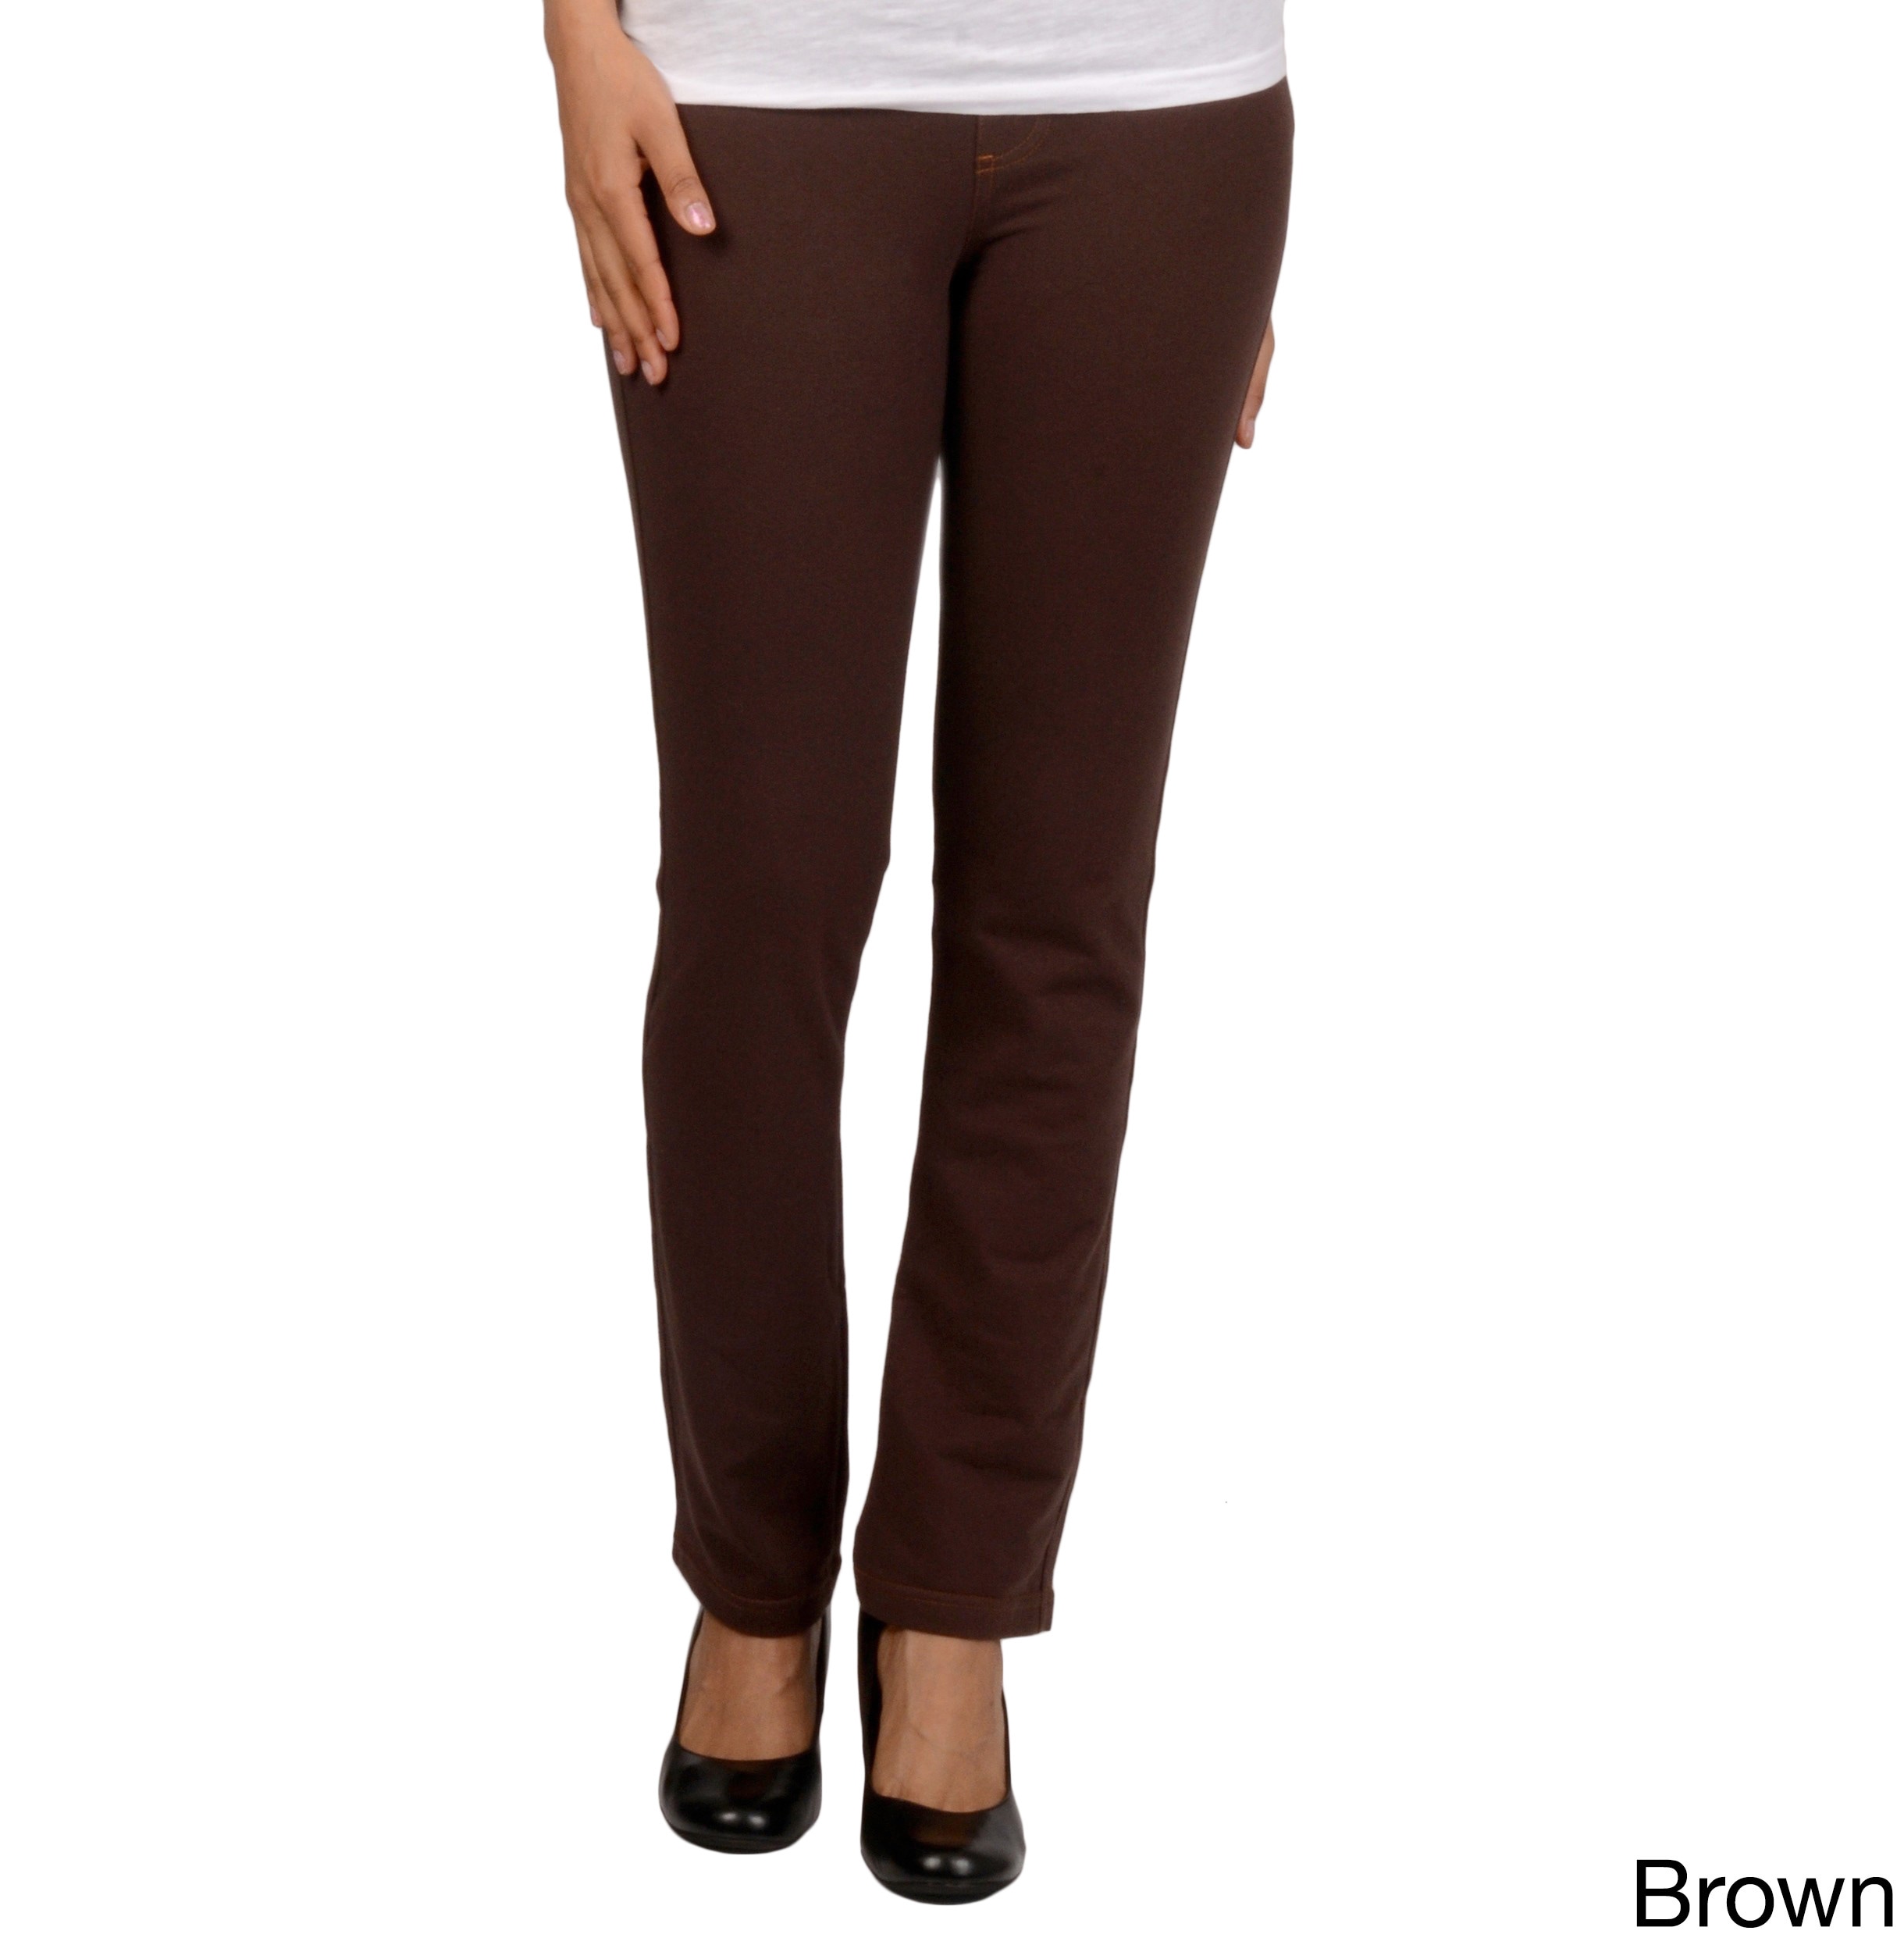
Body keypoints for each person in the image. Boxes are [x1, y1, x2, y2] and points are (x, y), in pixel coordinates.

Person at [543, 0, 1293, 1903]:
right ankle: (753, 1580)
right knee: (758, 899)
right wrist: (571, 33)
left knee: (1060, 907)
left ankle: (953, 1599)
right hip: (754, 104)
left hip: (1158, 111)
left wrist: (1224, 194)